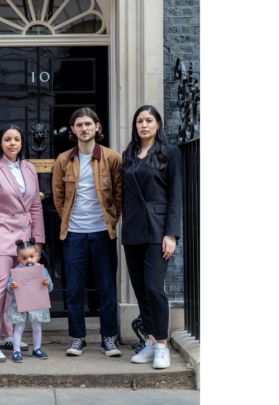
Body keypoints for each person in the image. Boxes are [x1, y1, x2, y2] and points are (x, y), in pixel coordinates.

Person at [52, 108, 123, 357]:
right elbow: (58, 198)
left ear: (97, 127)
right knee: (73, 289)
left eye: (88, 124)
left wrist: (111, 221)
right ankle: (78, 338)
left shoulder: (112, 157)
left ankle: (108, 337)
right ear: (73, 130)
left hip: (103, 233)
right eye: (79, 125)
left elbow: (119, 196)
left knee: (106, 289)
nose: (84, 129)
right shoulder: (63, 160)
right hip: (73, 235)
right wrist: (71, 223)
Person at [0, 124, 46, 363]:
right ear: (0, 142)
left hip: (24, 241)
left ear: (22, 142)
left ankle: (6, 334)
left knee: (16, 288)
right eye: (7, 139)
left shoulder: (28, 168)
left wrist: (39, 241)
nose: (12, 143)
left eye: (16, 139)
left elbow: (35, 206)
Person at [119, 106, 182, 369]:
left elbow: (176, 195)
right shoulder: (129, 154)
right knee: (141, 290)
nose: (144, 125)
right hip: (133, 229)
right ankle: (150, 340)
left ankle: (162, 345)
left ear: (158, 124)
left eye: (149, 120)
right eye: (139, 121)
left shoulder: (170, 152)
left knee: (155, 288)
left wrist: (172, 233)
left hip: (158, 230)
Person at [6, 238, 53, 363]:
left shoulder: (42, 270)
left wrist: (48, 283)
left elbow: (50, 288)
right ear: (19, 259)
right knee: (19, 328)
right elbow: (9, 285)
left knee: (37, 327)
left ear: (37, 256)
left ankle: (37, 349)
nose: (29, 260)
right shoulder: (17, 271)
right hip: (21, 304)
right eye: (24, 258)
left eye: (31, 256)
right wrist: (11, 286)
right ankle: (16, 351)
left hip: (36, 304)